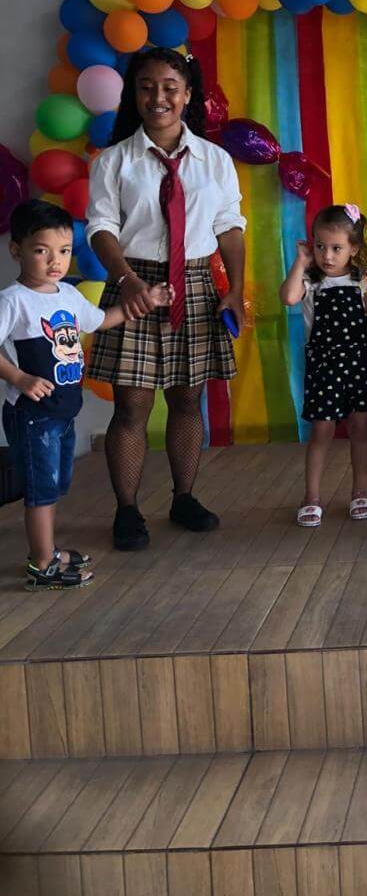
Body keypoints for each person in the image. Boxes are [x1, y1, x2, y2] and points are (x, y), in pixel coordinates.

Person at [85, 46, 246, 551]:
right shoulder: (114, 161)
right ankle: (128, 510)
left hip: (195, 284)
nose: (159, 97)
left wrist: (235, 290)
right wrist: (127, 279)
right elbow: (101, 228)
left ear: (188, 94)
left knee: (187, 398)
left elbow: (230, 227)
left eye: (170, 87)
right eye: (147, 87)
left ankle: (184, 497)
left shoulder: (214, 160)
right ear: (134, 94)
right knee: (131, 406)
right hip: (134, 283)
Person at [0, 200, 169, 587]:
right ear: (17, 250)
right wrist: (20, 377)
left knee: (54, 485)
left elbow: (100, 320)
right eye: (41, 251)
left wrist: (145, 303)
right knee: (41, 490)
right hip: (32, 412)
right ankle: (43, 564)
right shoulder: (14, 301)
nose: (54, 261)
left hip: (62, 410)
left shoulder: (67, 295)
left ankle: (46, 551)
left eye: (62, 251)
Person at [280, 203, 367, 526]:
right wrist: (300, 262)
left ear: (353, 248)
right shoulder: (311, 279)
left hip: (358, 364)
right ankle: (312, 496)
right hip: (325, 367)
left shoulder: (362, 279)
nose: (327, 255)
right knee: (321, 431)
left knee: (359, 429)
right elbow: (288, 298)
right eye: (320, 246)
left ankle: (361, 491)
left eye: (336, 248)